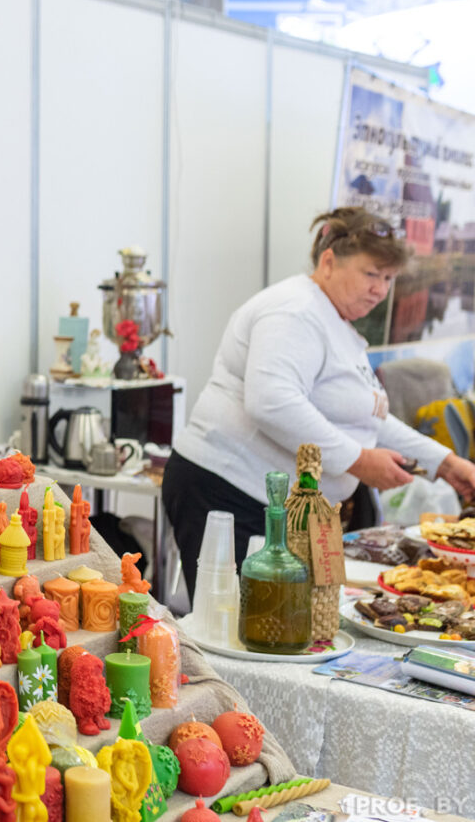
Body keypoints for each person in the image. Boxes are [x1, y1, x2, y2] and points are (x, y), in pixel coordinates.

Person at [163, 207, 475, 599]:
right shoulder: (295, 311)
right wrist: (358, 460)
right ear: (329, 262)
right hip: (227, 492)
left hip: (276, 508)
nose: (380, 289)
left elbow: (370, 418)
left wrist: (444, 462)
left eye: (389, 278)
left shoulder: (335, 322)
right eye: (370, 274)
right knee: (241, 630)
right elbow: (272, 402)